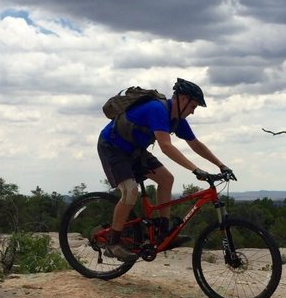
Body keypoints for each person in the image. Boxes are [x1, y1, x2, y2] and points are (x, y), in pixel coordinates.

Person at [97, 78, 234, 261]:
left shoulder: (177, 119)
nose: (193, 112)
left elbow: (195, 144)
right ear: (183, 99)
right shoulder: (157, 109)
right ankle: (112, 243)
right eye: (193, 106)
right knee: (130, 191)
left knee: (166, 179)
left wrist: (221, 165)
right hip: (112, 147)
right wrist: (196, 169)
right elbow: (166, 146)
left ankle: (164, 233)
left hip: (134, 151)